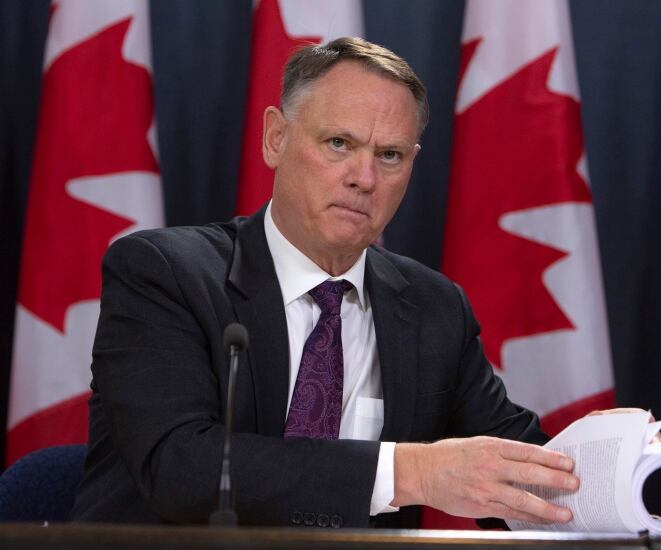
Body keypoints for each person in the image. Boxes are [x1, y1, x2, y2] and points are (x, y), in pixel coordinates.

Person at [72, 37, 581, 528]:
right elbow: (181, 467)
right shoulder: (164, 273)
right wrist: (414, 472)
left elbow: (525, 475)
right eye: (339, 143)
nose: (365, 177)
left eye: (390, 156)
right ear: (276, 138)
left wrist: (612, 458)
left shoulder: (432, 308)